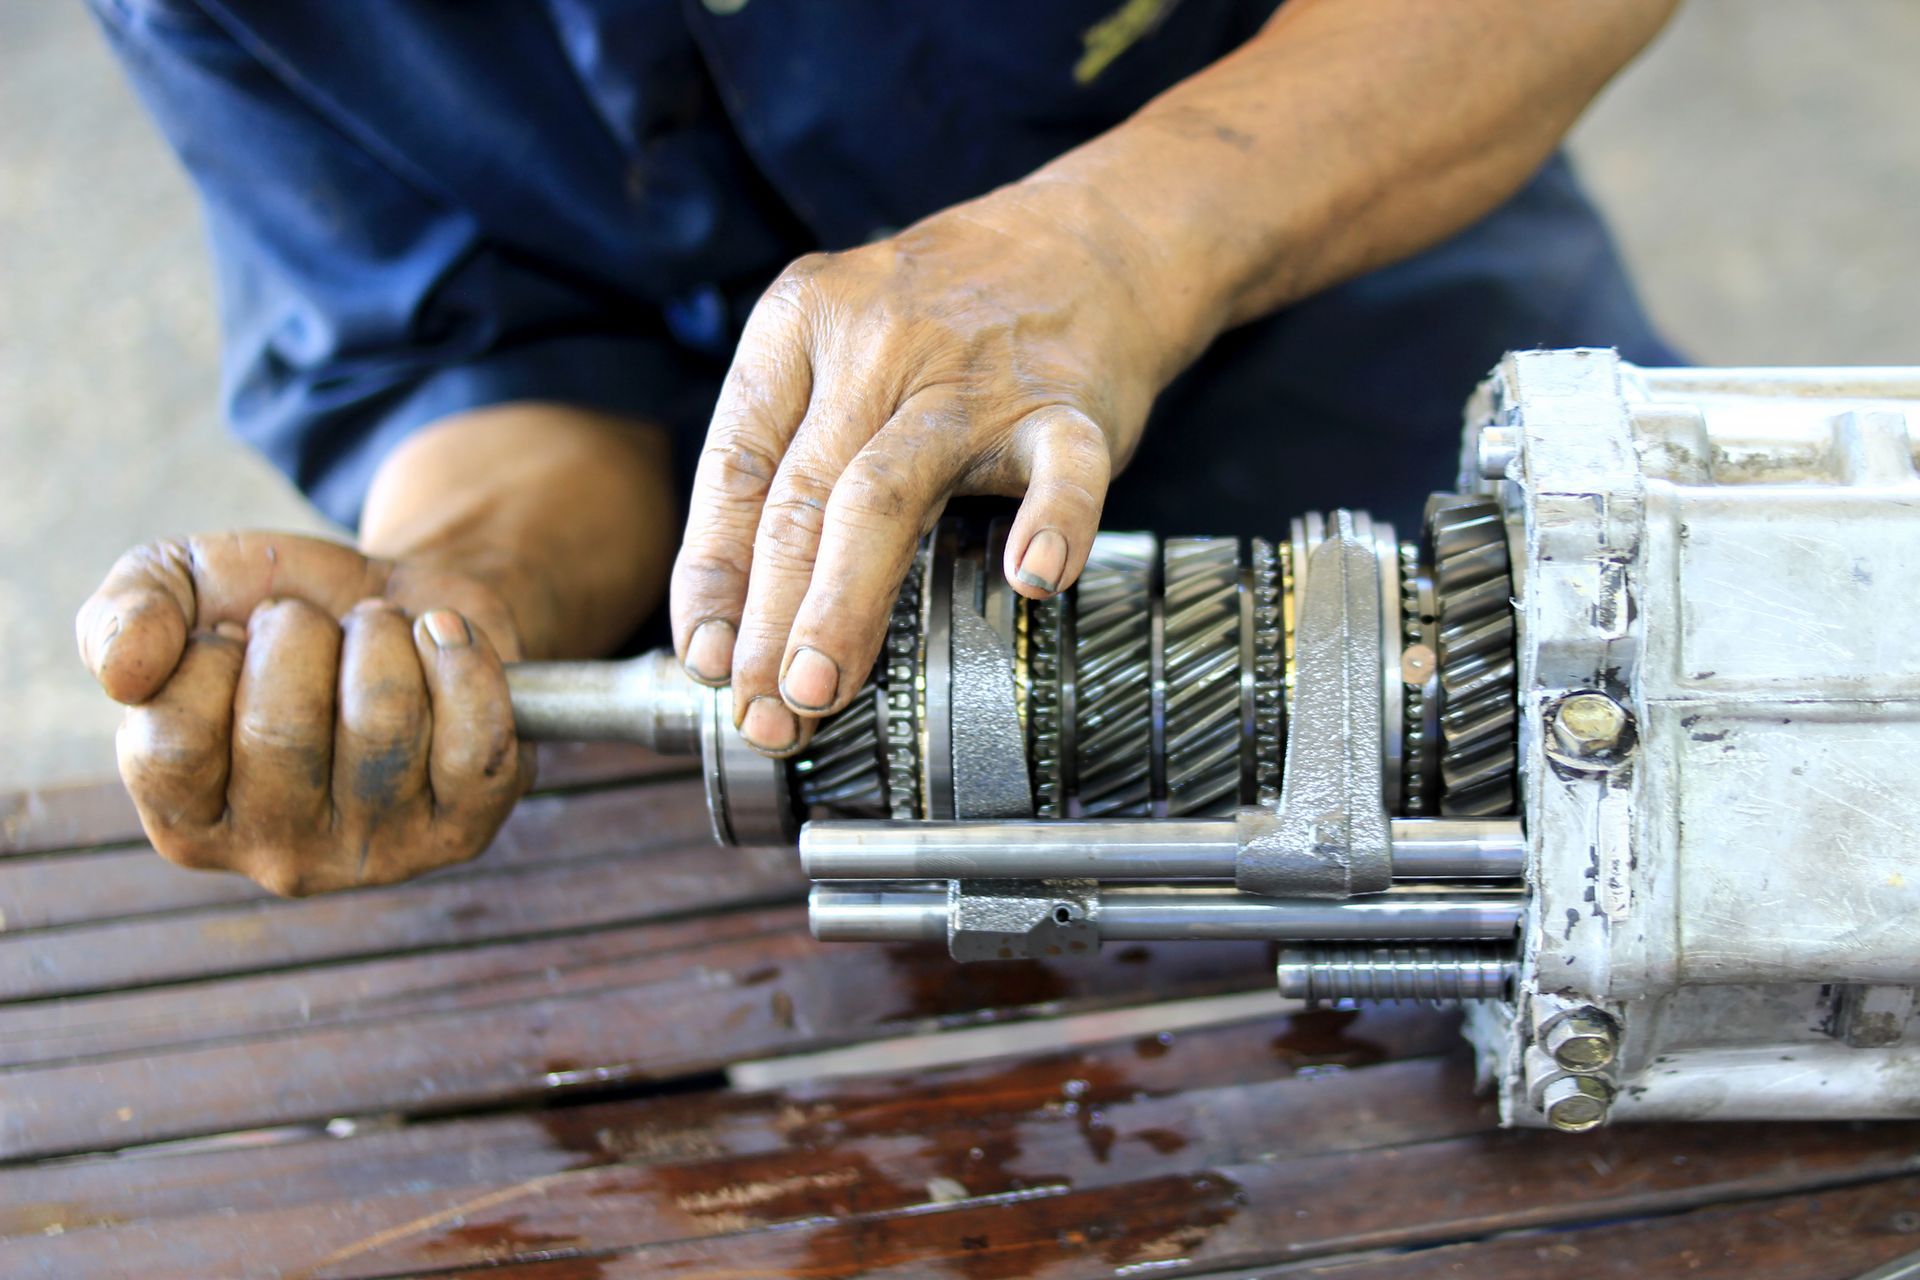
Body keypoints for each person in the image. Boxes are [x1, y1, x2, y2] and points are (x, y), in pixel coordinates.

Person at [76, 0, 1678, 896]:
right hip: (823, 731)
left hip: (1391, 398)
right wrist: (463, 594)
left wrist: (1129, 237)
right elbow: (493, 348)